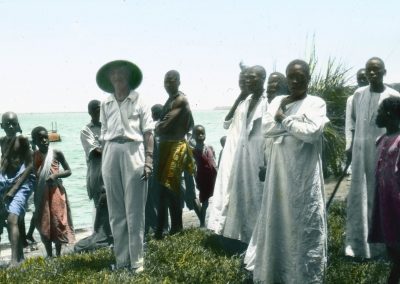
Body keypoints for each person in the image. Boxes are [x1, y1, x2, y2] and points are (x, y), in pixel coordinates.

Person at [244, 59, 329, 283]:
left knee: (304, 222)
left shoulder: (316, 103)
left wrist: (283, 119)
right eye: (290, 77)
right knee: (279, 218)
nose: (294, 82)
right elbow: (267, 129)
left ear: (308, 79)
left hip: (303, 174)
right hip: (279, 174)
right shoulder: (279, 100)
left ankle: (305, 276)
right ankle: (278, 272)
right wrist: (294, 125)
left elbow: (312, 133)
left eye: (299, 78)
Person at [97, 60, 153, 272]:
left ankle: (137, 263)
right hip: (111, 151)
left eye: (121, 73)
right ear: (109, 79)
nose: (117, 77)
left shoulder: (140, 101)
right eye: (113, 74)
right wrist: (104, 165)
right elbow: (103, 135)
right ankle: (121, 261)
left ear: (129, 77)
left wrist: (149, 160)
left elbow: (149, 133)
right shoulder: (106, 103)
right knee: (116, 211)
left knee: (135, 211)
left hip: (134, 151)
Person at [345, 57, 400, 259]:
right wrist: (350, 146)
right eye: (369, 70)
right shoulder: (358, 94)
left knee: (379, 195)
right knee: (359, 195)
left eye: (376, 70)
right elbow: (352, 122)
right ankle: (356, 246)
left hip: (384, 153)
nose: (372, 74)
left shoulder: (393, 95)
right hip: (360, 153)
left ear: (384, 72)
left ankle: (381, 248)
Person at [207, 65, 266, 244]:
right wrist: (241, 95)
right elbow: (227, 123)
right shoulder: (245, 102)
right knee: (237, 193)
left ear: (263, 79)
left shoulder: (267, 101)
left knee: (256, 193)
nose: (247, 81)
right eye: (244, 79)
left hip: (257, 154)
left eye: (252, 78)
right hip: (239, 153)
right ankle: (238, 235)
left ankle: (256, 238)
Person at [155, 70, 195, 239]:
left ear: (179, 82)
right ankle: (163, 229)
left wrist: (155, 127)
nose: (168, 84)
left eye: (171, 81)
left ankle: (177, 227)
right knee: (163, 189)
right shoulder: (170, 100)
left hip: (175, 146)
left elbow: (162, 126)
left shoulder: (180, 100)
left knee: (171, 188)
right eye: (166, 81)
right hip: (165, 146)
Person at [368, 97, 400, 283]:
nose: (376, 115)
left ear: (389, 115)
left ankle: (393, 277)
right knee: (390, 238)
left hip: (396, 198)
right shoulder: (382, 138)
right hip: (385, 198)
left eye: (379, 111)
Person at [74, 100, 112, 253]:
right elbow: (95, 152)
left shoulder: (108, 126)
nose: (99, 112)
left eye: (101, 109)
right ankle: (99, 236)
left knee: (113, 203)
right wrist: (113, 148)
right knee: (100, 204)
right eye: (96, 110)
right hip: (97, 173)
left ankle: (109, 236)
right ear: (90, 112)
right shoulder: (86, 130)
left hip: (111, 170)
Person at [31, 126, 74, 257]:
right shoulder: (34, 156)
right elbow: (33, 174)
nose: (44, 140)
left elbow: (68, 171)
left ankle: (59, 254)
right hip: (41, 193)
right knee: (45, 222)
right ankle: (49, 255)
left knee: (57, 220)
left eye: (46, 137)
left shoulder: (56, 153)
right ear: (35, 141)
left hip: (56, 192)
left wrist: (55, 175)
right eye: (40, 138)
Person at [0, 112, 35, 266]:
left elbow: (30, 166)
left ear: (18, 124)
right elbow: (4, 164)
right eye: (7, 124)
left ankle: (14, 262)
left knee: (12, 219)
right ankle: (20, 258)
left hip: (23, 182)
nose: (11, 126)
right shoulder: (2, 141)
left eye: (14, 123)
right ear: (2, 126)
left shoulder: (22, 140)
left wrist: (13, 190)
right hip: (8, 183)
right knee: (9, 219)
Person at [145, 104, 166, 235]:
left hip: (154, 169)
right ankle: (163, 227)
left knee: (150, 200)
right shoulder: (165, 127)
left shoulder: (153, 128)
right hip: (162, 169)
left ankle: (155, 227)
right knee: (162, 201)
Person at [191, 125, 217, 227]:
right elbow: (193, 168)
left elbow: (214, 161)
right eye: (198, 134)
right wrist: (196, 181)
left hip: (213, 177)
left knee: (219, 198)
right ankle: (202, 223)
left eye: (202, 133)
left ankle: (217, 220)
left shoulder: (210, 147)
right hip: (203, 179)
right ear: (193, 136)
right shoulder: (193, 151)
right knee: (205, 203)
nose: (201, 135)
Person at [345, 68, 369, 152]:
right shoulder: (352, 99)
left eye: (364, 78)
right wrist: (349, 145)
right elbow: (350, 123)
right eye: (359, 78)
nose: (362, 81)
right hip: (357, 140)